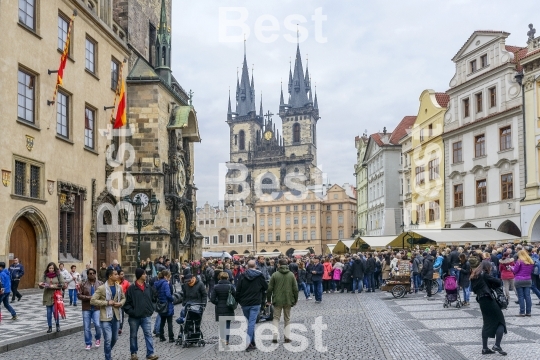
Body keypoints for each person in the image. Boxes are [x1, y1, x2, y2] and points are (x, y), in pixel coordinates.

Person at [470, 261, 507, 355]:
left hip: (482, 301)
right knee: (500, 321)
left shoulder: (474, 275)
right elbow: (498, 282)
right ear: (487, 267)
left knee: (486, 323)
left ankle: (485, 348)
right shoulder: (485, 275)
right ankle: (497, 345)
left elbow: (474, 289)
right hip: (489, 299)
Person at [90, 269, 126, 360]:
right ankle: (108, 358)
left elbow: (123, 298)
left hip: (116, 316)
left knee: (115, 338)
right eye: (115, 274)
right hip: (105, 317)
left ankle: (107, 351)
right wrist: (106, 303)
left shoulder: (119, 287)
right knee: (108, 339)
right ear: (110, 276)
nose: (118, 275)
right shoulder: (101, 288)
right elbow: (93, 300)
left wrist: (120, 303)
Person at [124, 268, 159, 360]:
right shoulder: (131, 289)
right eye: (144, 274)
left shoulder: (148, 287)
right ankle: (134, 353)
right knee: (133, 335)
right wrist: (132, 312)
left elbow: (154, 298)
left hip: (146, 315)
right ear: (140, 276)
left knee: (148, 334)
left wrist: (152, 308)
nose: (146, 275)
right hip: (134, 317)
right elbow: (126, 304)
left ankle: (150, 353)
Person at [235, 260, 268, 351]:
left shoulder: (242, 276)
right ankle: (248, 342)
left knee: (250, 323)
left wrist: (238, 301)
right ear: (255, 266)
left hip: (245, 303)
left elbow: (238, 290)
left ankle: (252, 342)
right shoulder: (259, 276)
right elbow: (266, 287)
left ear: (247, 266)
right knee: (251, 323)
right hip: (255, 302)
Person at [267, 259, 298, 344]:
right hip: (288, 299)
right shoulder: (291, 275)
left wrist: (269, 299)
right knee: (287, 318)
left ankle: (275, 336)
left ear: (279, 265)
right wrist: (295, 299)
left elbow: (269, 289)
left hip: (277, 300)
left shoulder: (274, 275)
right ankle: (287, 337)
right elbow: (295, 289)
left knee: (276, 318)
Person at [77, 268, 102, 350]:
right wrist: (89, 298)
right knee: (86, 327)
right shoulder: (83, 284)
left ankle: (97, 338)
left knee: (97, 325)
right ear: (87, 275)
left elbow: (103, 295)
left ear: (95, 274)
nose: (91, 275)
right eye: (90, 273)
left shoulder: (100, 284)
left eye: (93, 273)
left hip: (96, 308)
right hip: (86, 308)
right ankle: (88, 343)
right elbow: (79, 295)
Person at [211, 271, 236, 346]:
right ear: (227, 277)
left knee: (222, 324)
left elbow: (212, 299)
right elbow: (235, 296)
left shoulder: (216, 287)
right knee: (227, 325)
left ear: (220, 277)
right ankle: (227, 340)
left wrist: (218, 303)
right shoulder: (231, 286)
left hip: (220, 307)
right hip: (229, 307)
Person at [38, 262, 65, 333]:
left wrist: (54, 286)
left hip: (56, 295)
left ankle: (57, 325)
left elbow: (62, 284)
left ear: (54, 268)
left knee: (54, 311)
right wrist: (41, 285)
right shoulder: (45, 275)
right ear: (48, 268)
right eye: (50, 268)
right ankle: (49, 327)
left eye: (52, 268)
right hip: (47, 295)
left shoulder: (58, 274)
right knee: (48, 312)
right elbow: (41, 284)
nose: (51, 269)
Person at [512, 249, 535, 316]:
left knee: (521, 296)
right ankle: (528, 312)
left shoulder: (519, 261)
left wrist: (511, 267)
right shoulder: (530, 261)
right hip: (528, 280)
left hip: (519, 280)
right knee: (528, 296)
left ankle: (522, 312)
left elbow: (515, 271)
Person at [155, 270, 175, 343]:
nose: (169, 278)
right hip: (167, 304)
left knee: (162, 322)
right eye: (169, 277)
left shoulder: (158, 283)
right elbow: (168, 294)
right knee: (169, 322)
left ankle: (161, 336)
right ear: (166, 276)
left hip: (161, 304)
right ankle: (171, 337)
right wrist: (172, 299)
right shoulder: (165, 283)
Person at [118, 270, 130, 335]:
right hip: (116, 300)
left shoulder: (126, 282)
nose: (123, 275)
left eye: (123, 274)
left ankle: (120, 328)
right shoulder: (116, 282)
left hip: (123, 300)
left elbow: (129, 290)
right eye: (121, 274)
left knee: (121, 314)